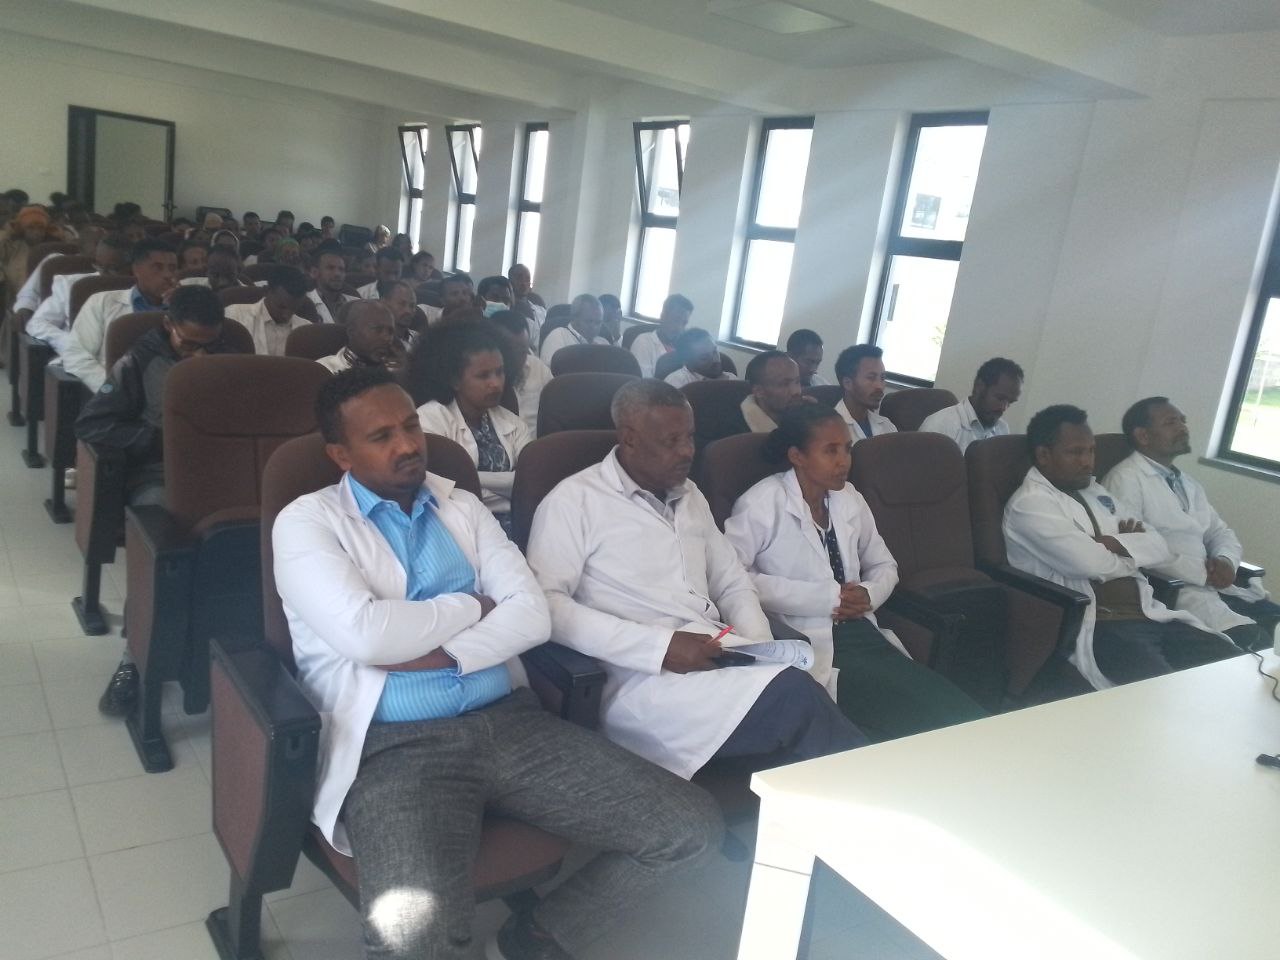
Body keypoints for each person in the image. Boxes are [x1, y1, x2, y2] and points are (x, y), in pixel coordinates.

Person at [273, 367, 721, 960]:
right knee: (413, 935)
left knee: (690, 831)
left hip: (511, 722)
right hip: (393, 747)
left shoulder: (462, 506)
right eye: (381, 437)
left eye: (410, 426)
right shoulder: (307, 523)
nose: (407, 445)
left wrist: (445, 655)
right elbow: (367, 636)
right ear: (341, 454)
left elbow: (532, 616)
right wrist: (473, 606)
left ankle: (539, 936)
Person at [527, 379, 867, 779]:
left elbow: (731, 581)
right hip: (637, 677)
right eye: (671, 441)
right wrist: (658, 647)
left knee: (798, 694)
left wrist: (762, 649)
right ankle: (873, 794)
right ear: (630, 438)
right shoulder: (574, 501)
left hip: (713, 653)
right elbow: (547, 604)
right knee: (796, 702)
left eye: (690, 437)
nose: (688, 451)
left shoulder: (689, 495)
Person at [725, 404, 986, 741]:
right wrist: (824, 598)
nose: (844, 461)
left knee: (947, 706)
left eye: (847, 449)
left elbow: (884, 564)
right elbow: (733, 580)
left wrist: (868, 593)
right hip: (809, 639)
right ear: (797, 456)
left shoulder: (848, 498)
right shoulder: (762, 503)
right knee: (931, 715)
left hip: (862, 631)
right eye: (830, 451)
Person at [81, 285, 246, 717]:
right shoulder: (139, 360)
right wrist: (157, 441)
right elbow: (92, 424)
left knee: (255, 543)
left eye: (208, 344)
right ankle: (132, 662)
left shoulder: (231, 357)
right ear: (168, 324)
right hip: (159, 474)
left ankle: (238, 658)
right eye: (189, 344)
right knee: (163, 557)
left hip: (222, 477)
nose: (199, 355)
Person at [1004, 405, 1240, 689]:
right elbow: (1090, 563)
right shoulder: (1031, 504)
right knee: (1165, 692)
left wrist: (1115, 542)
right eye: (1076, 452)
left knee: (1232, 667)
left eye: (1091, 451)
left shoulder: (1095, 491)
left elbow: (1158, 545)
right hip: (1102, 625)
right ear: (1044, 455)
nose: (1088, 462)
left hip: (1150, 613)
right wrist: (1132, 553)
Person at [1103, 397, 1279, 651]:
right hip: (1175, 591)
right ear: (1143, 436)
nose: (1183, 428)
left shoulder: (1186, 482)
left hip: (1218, 586)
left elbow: (1220, 531)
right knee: (1257, 643)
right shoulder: (1124, 480)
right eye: (1170, 422)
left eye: (1182, 421)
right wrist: (1202, 572)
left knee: (1275, 623)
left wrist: (1226, 560)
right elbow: (1136, 547)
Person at [412, 318, 532, 531]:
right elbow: (440, 490)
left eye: (500, 372)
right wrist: (507, 491)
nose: (496, 383)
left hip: (518, 527)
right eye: (483, 376)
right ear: (454, 380)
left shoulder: (514, 423)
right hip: (456, 528)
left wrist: (469, 479)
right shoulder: (429, 419)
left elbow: (529, 482)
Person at [61, 238, 178, 393]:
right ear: (136, 269)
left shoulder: (184, 307)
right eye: (158, 267)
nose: (168, 275)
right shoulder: (102, 302)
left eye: (172, 268)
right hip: (113, 391)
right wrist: (112, 388)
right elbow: (76, 355)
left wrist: (182, 306)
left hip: (170, 392)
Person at [26, 233, 132, 355]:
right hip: (75, 357)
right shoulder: (70, 284)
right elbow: (37, 323)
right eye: (99, 266)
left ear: (131, 267)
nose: (103, 274)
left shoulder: (138, 291)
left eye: (113, 269)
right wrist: (70, 343)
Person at [920, 357, 1024, 452]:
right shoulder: (939, 426)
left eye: (1010, 402)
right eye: (1000, 398)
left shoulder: (1002, 429)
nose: (1004, 408)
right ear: (979, 387)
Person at [223, 265, 311, 356]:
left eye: (294, 309)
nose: (286, 315)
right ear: (267, 291)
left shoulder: (307, 330)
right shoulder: (235, 315)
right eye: (281, 307)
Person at [491, 309, 553, 434]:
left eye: (522, 351)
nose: (516, 360)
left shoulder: (539, 368)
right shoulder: (483, 381)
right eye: (509, 352)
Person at [317, 300, 403, 373]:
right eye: (378, 330)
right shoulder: (324, 370)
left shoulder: (395, 371)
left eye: (390, 332)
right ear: (351, 332)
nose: (387, 338)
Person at [833, 344, 895, 443]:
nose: (879, 386)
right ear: (848, 383)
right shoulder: (830, 428)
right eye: (871, 378)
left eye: (882, 378)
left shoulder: (887, 425)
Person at [740, 350, 804, 432]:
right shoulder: (737, 432)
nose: (796, 391)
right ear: (759, 391)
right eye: (784, 384)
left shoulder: (801, 416)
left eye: (797, 381)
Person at [630, 293, 692, 378]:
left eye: (684, 323)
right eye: (676, 320)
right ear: (663, 315)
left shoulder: (686, 348)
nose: (679, 328)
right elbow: (644, 381)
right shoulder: (643, 342)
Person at [539, 294, 609, 364]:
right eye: (589, 321)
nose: (594, 327)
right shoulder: (558, 336)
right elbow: (548, 368)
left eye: (598, 322)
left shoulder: (603, 343)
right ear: (574, 318)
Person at [663, 328, 735, 389]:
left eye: (714, 352)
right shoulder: (676, 383)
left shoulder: (731, 379)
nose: (715, 360)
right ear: (688, 363)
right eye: (704, 358)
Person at [308, 241, 358, 324]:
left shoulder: (357, 303)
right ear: (314, 272)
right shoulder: (304, 303)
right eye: (330, 268)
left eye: (341, 269)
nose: (337, 274)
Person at [379, 279, 421, 346]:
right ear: (383, 303)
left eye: (412, 306)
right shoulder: (374, 340)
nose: (408, 311)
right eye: (402, 304)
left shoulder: (420, 339)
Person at [508, 263, 546, 335]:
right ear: (510, 281)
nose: (524, 283)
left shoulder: (539, 308)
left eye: (527, 279)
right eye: (519, 278)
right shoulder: (508, 309)